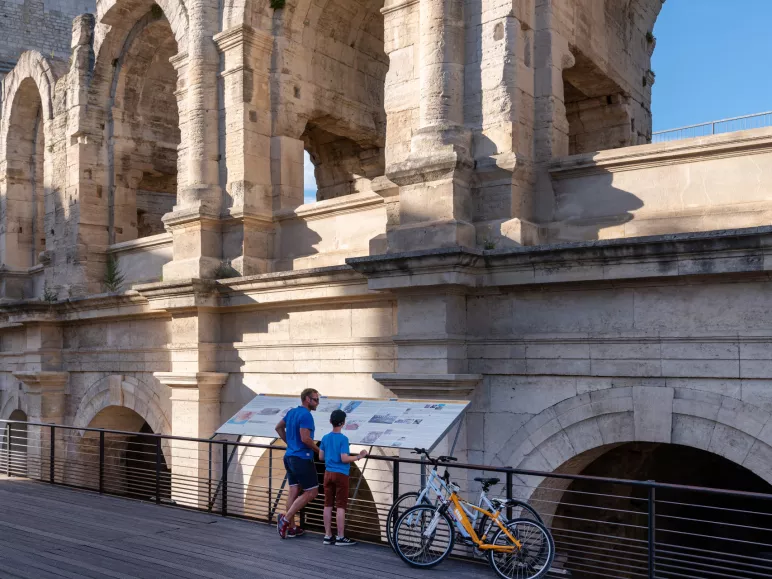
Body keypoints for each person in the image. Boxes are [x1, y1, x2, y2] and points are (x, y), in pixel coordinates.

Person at [275, 388, 320, 539]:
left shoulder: (292, 412)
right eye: (315, 400)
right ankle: (286, 520)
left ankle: (292, 528)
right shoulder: (306, 415)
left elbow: (278, 427)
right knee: (312, 492)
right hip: (301, 458)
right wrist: (318, 450)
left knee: (294, 490)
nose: (317, 403)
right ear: (307, 399)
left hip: (289, 456)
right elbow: (305, 438)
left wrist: (289, 443)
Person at [318, 409, 367, 546]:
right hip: (341, 474)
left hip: (328, 473)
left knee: (327, 505)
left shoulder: (325, 438)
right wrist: (359, 456)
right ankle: (340, 537)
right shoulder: (343, 439)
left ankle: (327, 535)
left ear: (330, 422)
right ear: (343, 423)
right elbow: (344, 458)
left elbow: (321, 457)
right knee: (340, 506)